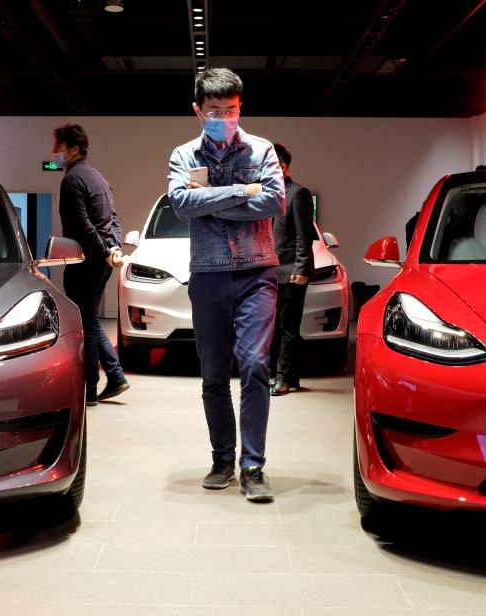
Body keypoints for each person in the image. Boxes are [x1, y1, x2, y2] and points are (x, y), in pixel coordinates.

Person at [168, 68, 285, 502]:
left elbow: (273, 201)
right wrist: (242, 191)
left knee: (254, 365)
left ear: (240, 107)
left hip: (257, 272)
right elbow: (181, 203)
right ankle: (222, 457)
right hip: (209, 274)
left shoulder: (262, 149)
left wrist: (213, 203)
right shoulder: (183, 155)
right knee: (213, 374)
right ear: (198, 111)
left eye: (232, 110)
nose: (224, 118)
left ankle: (253, 466)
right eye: (215, 111)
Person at [52, 124, 129, 407]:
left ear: (73, 149)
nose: (54, 152)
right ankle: (115, 376)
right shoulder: (98, 177)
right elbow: (114, 218)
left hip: (85, 260)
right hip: (102, 261)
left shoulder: (72, 180)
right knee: (92, 321)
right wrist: (114, 247)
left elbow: (84, 226)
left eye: (57, 146)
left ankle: (91, 390)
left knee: (86, 323)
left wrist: (105, 250)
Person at [270, 143, 315, 396]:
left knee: (288, 329)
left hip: (291, 273)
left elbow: (303, 235)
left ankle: (283, 378)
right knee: (275, 328)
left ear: (284, 168)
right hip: (272, 273)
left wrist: (300, 268)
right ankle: (291, 375)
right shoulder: (271, 195)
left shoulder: (298, 194)